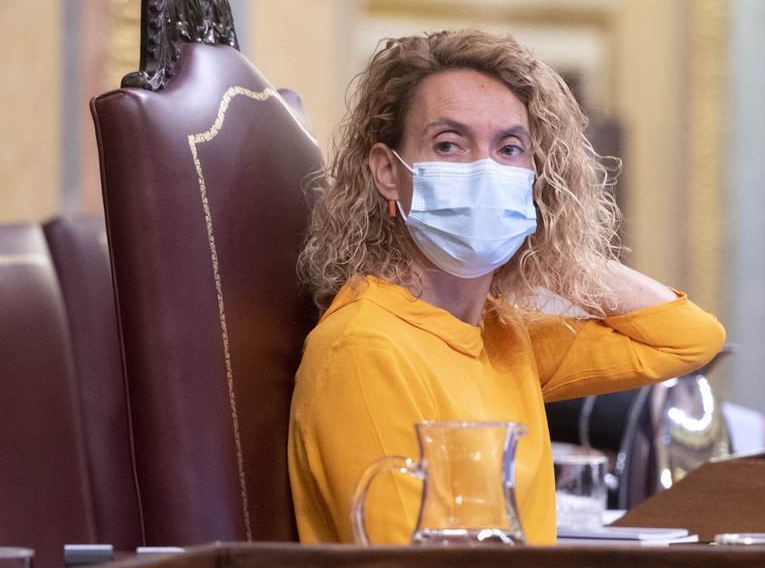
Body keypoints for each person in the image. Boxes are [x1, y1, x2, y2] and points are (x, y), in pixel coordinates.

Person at [289, 30, 726, 544]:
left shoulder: (504, 335)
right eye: (449, 144)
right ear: (389, 171)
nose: (484, 171)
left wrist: (555, 256)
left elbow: (690, 339)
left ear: (536, 178)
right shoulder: (362, 348)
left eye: (509, 147)